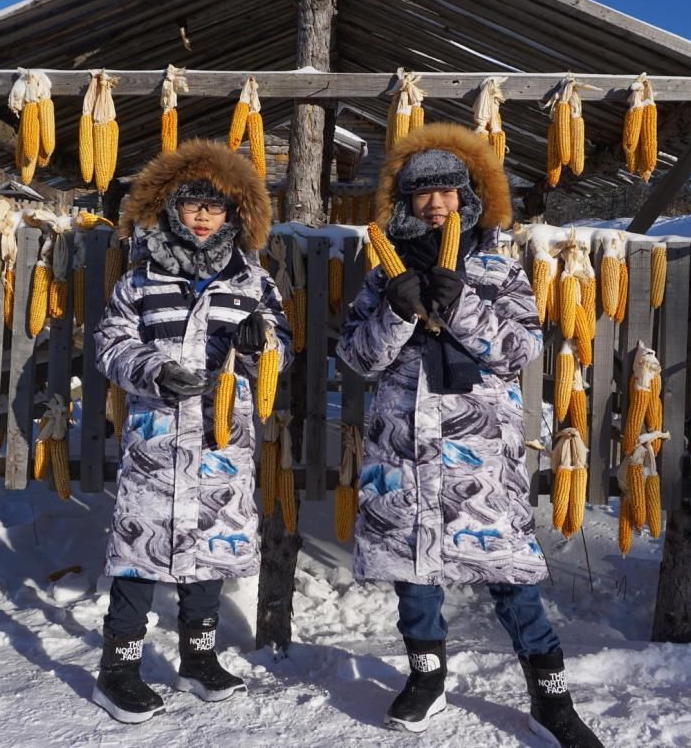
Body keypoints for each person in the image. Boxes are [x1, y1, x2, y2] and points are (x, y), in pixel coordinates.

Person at [336, 123, 604, 747]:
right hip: (402, 448)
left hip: (478, 454)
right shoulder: (383, 272)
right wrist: (398, 310)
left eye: (447, 193)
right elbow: (357, 357)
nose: (436, 205)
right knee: (415, 574)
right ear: (403, 203)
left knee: (509, 575)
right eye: (422, 195)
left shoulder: (497, 267)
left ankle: (550, 697)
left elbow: (519, 349)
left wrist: (461, 306)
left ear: (467, 198)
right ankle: (426, 678)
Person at [91, 140, 292, 725]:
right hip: (156, 441)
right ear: (171, 210)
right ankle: (119, 668)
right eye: (192, 205)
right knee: (139, 555)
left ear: (234, 215)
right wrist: (153, 369)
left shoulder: (253, 283)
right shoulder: (141, 280)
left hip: (220, 443)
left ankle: (197, 660)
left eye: (215, 207)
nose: (203, 216)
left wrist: (263, 348)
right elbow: (111, 343)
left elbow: (281, 350)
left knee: (209, 552)